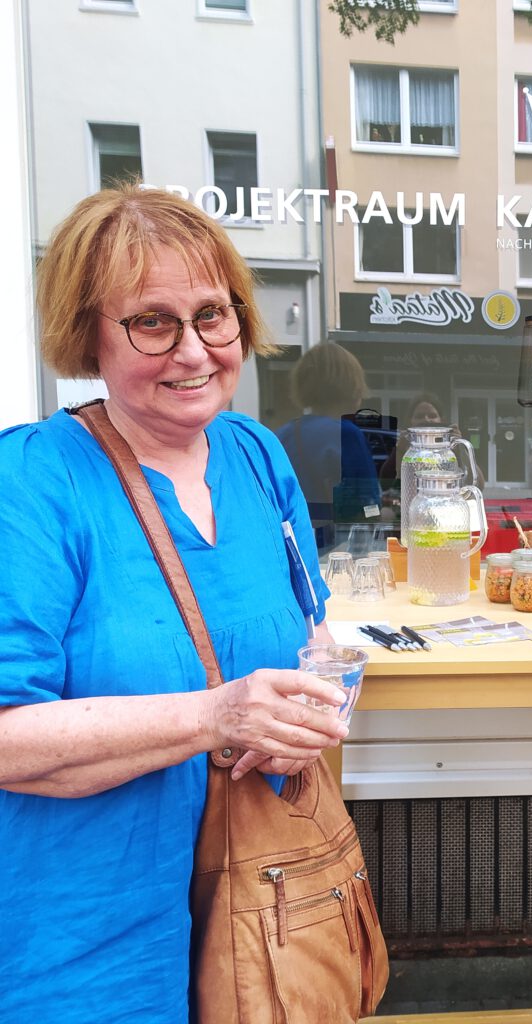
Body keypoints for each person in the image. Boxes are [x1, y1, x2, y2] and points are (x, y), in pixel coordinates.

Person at [0, 185, 349, 1024]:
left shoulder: (257, 454)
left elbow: (314, 632)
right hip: (89, 949)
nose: (195, 351)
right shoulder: (33, 482)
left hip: (264, 922)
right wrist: (216, 717)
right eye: (152, 322)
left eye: (214, 314)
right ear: (88, 334)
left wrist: (322, 695)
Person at [276, 341, 382, 547]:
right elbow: (368, 505)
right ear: (351, 386)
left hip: (295, 546)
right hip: (338, 548)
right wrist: (385, 512)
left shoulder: (282, 434)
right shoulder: (346, 434)